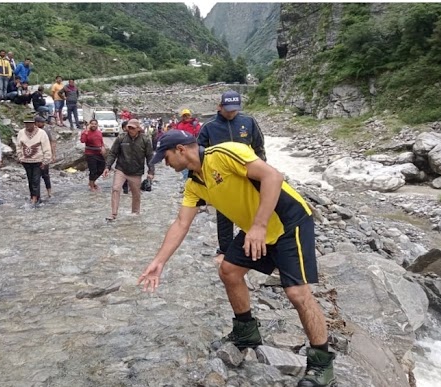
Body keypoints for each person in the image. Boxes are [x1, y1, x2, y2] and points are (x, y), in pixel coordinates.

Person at [138, 130, 336, 387]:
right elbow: (180, 223)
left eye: (164, 157)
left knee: (297, 293)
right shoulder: (194, 184)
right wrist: (159, 262)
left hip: (288, 222)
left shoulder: (224, 154)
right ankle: (246, 333)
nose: (164, 164)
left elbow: (273, 176)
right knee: (229, 270)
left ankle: (322, 364)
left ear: (180, 150)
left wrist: (259, 226)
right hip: (257, 226)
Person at [198, 90, 267, 260]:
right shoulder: (209, 126)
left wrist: (263, 170)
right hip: (222, 178)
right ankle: (225, 250)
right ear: (219, 106)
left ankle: (252, 246)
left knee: (251, 210)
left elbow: (259, 147)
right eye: (228, 109)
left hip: (247, 174)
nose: (231, 113)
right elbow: (199, 153)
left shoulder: (248, 121)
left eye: (234, 109)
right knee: (224, 214)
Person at [102, 119, 154, 221]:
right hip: (121, 169)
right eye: (129, 127)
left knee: (136, 194)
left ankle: (135, 214)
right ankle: (113, 214)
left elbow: (150, 157)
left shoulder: (145, 140)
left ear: (138, 129)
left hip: (136, 171)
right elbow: (113, 153)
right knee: (116, 188)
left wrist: (151, 172)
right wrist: (107, 167)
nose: (130, 130)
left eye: (132, 128)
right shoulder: (121, 138)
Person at [16, 113, 52, 207]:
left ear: (34, 124)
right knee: (30, 179)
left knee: (36, 179)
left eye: (30, 123)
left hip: (38, 160)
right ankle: (34, 196)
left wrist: (46, 160)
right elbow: (19, 146)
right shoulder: (21, 132)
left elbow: (46, 147)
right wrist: (20, 157)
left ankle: (34, 198)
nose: (28, 125)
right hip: (26, 161)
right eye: (26, 124)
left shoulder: (41, 133)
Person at [35, 115, 57, 198]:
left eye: (43, 122)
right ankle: (36, 194)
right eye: (41, 122)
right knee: (35, 177)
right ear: (36, 123)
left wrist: (53, 154)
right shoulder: (32, 131)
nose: (43, 123)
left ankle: (49, 192)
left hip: (44, 156)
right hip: (35, 157)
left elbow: (52, 142)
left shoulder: (46, 131)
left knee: (46, 175)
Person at [80, 118, 105, 192]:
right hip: (90, 153)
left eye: (95, 124)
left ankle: (92, 181)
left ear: (97, 125)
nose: (94, 125)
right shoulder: (86, 132)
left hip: (98, 153)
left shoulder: (99, 132)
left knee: (101, 169)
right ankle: (92, 185)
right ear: (89, 125)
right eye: (92, 124)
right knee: (93, 170)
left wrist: (103, 147)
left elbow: (101, 141)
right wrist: (86, 131)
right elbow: (82, 140)